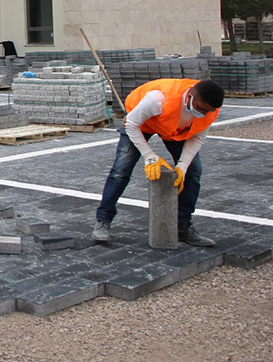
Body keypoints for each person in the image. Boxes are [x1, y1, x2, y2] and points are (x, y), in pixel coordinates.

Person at [92, 78, 225, 246]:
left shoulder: (210, 110)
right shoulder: (157, 99)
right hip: (140, 124)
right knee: (121, 170)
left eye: (207, 111)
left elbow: (198, 137)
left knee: (193, 171)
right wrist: (150, 156)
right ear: (190, 96)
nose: (203, 113)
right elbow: (131, 125)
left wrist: (182, 166)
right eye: (200, 108)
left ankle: (182, 227)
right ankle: (103, 220)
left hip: (172, 128)